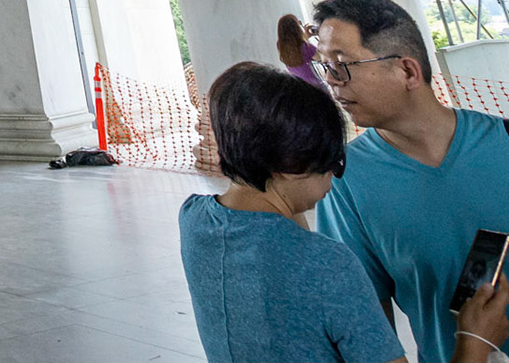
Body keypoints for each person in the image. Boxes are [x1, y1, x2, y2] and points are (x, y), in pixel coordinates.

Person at [182, 63, 508, 362]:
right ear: (290, 166)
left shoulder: (193, 219)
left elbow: (270, 225)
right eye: (335, 163)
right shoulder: (329, 266)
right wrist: (474, 340)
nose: (336, 178)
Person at [312, 0, 509, 363]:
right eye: (325, 67)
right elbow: (367, 329)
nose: (332, 82)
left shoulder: (504, 142)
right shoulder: (345, 181)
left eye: (342, 64)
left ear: (407, 70)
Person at [278, 13, 328, 90]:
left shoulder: (282, 48)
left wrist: (305, 37)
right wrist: (321, 37)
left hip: (301, 87)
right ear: (296, 29)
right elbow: (323, 57)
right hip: (316, 87)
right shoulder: (305, 47)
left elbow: (297, 47)